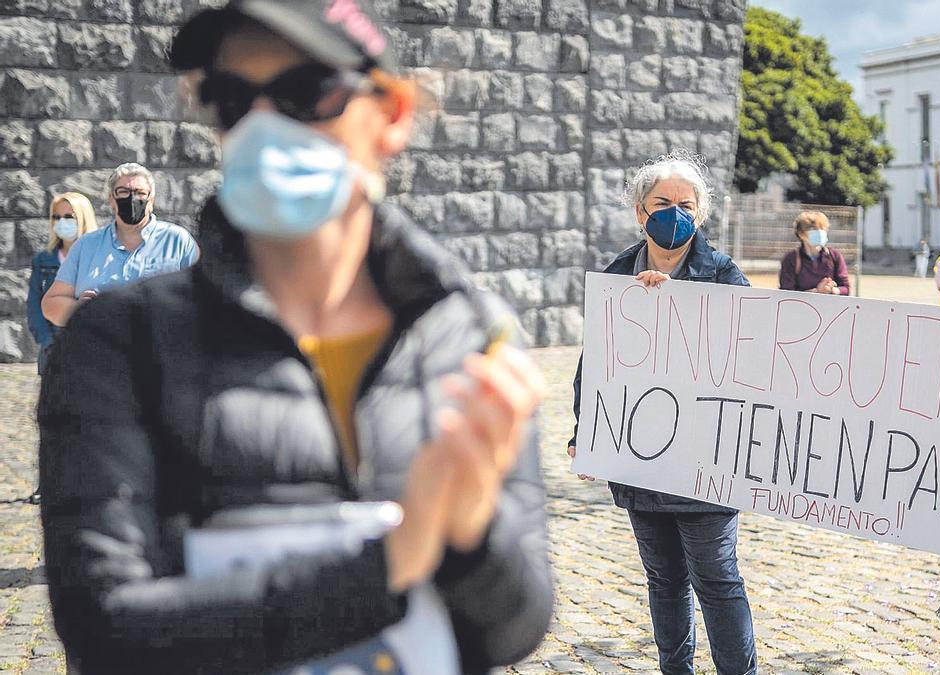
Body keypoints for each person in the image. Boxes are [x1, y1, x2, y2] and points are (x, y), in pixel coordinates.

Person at [38, 1, 553, 673]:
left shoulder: (467, 333)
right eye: (230, 98)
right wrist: (389, 563)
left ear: (391, 114)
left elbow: (515, 627)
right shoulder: (117, 340)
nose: (262, 125)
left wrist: (471, 531)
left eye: (305, 90)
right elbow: (104, 628)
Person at [568, 150, 758, 675]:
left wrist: (682, 305)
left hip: (704, 462)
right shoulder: (614, 278)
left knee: (717, 578)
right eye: (662, 203)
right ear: (639, 211)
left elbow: (750, 354)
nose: (675, 212)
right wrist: (586, 431)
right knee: (664, 579)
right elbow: (596, 363)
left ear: (700, 215)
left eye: (686, 204)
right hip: (639, 456)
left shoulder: (723, 275)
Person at [40, 162, 199, 327]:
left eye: (140, 193)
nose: (131, 198)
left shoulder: (178, 241)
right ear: (111, 199)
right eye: (123, 192)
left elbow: (209, 299)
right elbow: (50, 303)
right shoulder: (86, 246)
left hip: (160, 348)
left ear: (151, 200)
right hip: (102, 349)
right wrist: (81, 310)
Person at [27, 192, 99, 374]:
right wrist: (48, 343)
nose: (62, 222)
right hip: (53, 352)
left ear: (83, 218)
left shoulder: (100, 256)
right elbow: (34, 308)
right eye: (56, 217)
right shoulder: (43, 260)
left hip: (92, 352)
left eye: (68, 217)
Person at [778, 210, 850, 295]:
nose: (819, 232)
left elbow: (846, 288)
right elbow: (786, 292)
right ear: (801, 234)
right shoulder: (791, 258)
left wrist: (832, 290)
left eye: (822, 229)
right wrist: (817, 291)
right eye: (814, 229)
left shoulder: (835, 256)